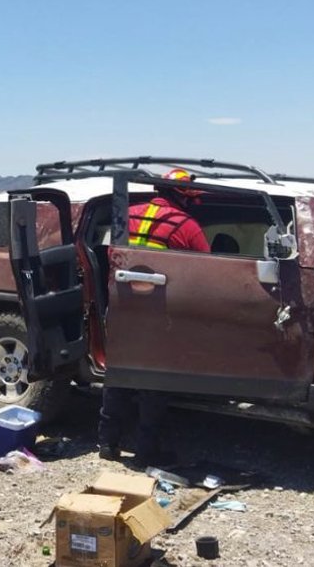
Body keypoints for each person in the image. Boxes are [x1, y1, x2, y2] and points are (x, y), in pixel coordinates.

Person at [99, 168, 207, 467]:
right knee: (153, 383)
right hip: (159, 313)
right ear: (184, 195)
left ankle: (107, 444)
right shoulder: (186, 226)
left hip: (123, 306)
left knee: (118, 374)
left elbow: (111, 255)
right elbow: (206, 271)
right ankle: (146, 451)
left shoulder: (127, 214)